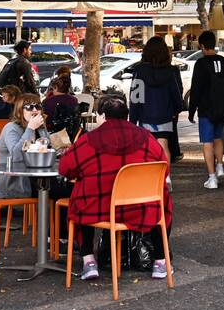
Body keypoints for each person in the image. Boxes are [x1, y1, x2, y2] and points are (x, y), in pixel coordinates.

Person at [58, 90, 173, 282]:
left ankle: (88, 261)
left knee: (82, 195)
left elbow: (65, 168)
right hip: (141, 208)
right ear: (127, 115)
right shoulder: (147, 138)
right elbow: (164, 168)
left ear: (103, 116)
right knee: (163, 198)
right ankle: (160, 261)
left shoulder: (88, 140)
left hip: (98, 209)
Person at [0, 92, 73, 200]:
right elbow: (17, 156)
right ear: (20, 111)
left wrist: (60, 152)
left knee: (72, 188)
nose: (35, 110)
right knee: (64, 192)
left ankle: (57, 216)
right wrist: (30, 128)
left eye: (38, 106)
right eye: (29, 107)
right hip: (15, 185)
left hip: (38, 178)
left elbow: (47, 150)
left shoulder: (40, 127)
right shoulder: (11, 128)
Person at [187, 29, 224, 189]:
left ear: (202, 46)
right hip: (223, 108)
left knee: (207, 142)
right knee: (218, 138)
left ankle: (212, 178)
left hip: (206, 109)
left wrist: (191, 110)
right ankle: (220, 167)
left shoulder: (201, 64)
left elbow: (196, 89)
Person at [128, 36, 184, 163]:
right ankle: (166, 177)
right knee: (164, 144)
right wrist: (176, 110)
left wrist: (133, 118)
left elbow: (135, 97)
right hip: (165, 115)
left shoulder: (139, 71)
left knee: (148, 148)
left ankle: (151, 177)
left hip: (145, 115)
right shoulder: (170, 71)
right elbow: (176, 93)